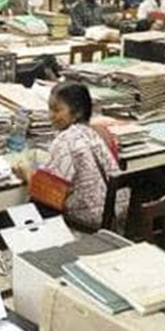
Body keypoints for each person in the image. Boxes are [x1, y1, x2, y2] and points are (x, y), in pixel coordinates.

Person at [13, 82, 126, 229]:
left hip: (85, 224)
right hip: (113, 218)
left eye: (57, 110)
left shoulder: (65, 140)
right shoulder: (92, 133)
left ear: (77, 112)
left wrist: (27, 174)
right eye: (49, 109)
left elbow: (46, 198)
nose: (50, 115)